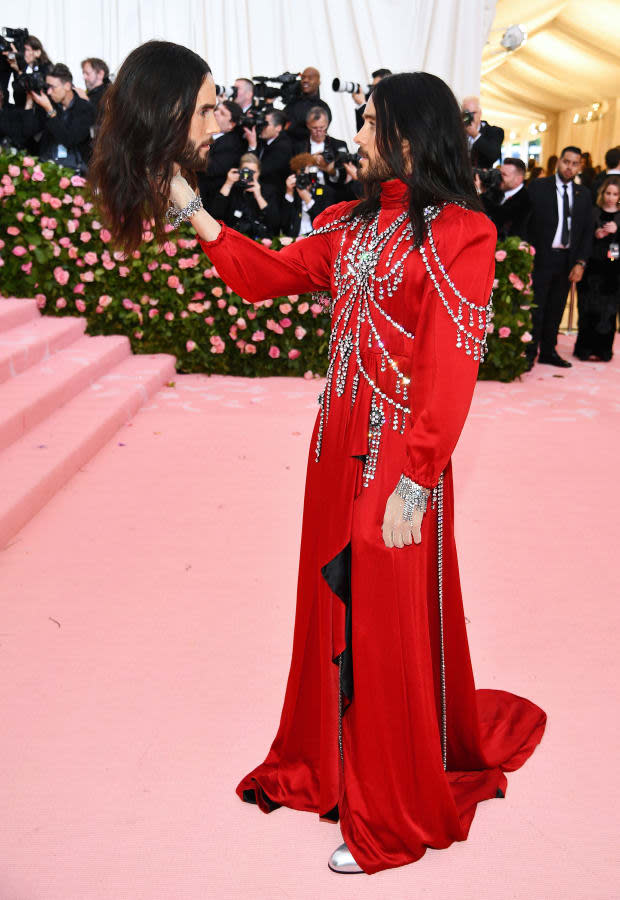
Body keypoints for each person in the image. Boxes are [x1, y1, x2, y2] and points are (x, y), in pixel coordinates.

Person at [92, 48, 547, 875]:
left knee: (384, 620)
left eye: (373, 121)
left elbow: (451, 369)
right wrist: (195, 211)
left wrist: (418, 474)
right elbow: (266, 277)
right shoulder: (348, 224)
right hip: (333, 449)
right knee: (333, 615)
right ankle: (332, 764)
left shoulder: (465, 233)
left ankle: (389, 807)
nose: (359, 131)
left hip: (399, 462)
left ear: (411, 136)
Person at [526, 146, 593, 368]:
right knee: (536, 307)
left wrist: (580, 262)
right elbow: (527, 221)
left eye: (574, 164)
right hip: (541, 257)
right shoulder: (538, 187)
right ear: (559, 161)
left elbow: (585, 232)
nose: (569, 167)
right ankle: (528, 352)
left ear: (579, 167)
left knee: (556, 308)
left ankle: (548, 351)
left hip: (567, 260)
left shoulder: (583, 195)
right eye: (566, 161)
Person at [573, 176, 620, 362]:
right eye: (608, 193)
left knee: (608, 312)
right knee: (586, 308)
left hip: (613, 272)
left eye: (615, 194)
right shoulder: (593, 213)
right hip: (591, 269)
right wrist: (596, 234)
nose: (610, 197)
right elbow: (583, 240)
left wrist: (617, 231)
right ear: (602, 193)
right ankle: (584, 348)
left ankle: (603, 350)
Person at [23, 63, 95, 170]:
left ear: (67, 86)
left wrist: (50, 111)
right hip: (46, 165)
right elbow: (28, 132)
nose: (49, 92)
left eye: (53, 87)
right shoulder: (48, 103)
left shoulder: (85, 108)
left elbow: (69, 140)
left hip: (75, 168)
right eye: (47, 87)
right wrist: (29, 103)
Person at [210, 153, 280, 239]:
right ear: (239, 171)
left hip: (260, 239)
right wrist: (228, 184)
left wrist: (258, 196)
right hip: (233, 237)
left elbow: (275, 223)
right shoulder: (232, 189)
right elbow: (215, 215)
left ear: (259, 173)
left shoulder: (268, 190)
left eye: (253, 172)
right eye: (246, 171)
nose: (248, 175)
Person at [196, 99, 244, 207]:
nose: (215, 113)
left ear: (231, 125)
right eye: (216, 109)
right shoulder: (204, 132)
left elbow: (211, 168)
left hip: (207, 198)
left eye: (222, 113)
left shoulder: (232, 144)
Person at [293, 106, 348, 196]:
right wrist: (311, 160)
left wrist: (331, 170)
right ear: (308, 125)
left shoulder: (338, 145)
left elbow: (345, 176)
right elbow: (292, 168)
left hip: (333, 194)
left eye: (322, 127)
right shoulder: (299, 147)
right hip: (307, 194)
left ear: (327, 124)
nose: (318, 131)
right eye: (314, 128)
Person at [280, 152, 336, 237]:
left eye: (307, 175)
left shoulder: (326, 191)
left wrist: (308, 200)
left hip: (316, 238)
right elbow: (283, 223)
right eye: (301, 176)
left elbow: (326, 223)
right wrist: (289, 194)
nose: (304, 179)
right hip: (294, 240)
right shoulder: (293, 192)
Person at [243, 108, 292, 194]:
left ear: (278, 128)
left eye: (265, 124)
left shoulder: (283, 148)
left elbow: (260, 171)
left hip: (271, 196)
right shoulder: (263, 139)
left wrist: (252, 146)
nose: (262, 127)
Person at [482, 158, 531, 240]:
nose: (499, 178)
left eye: (504, 175)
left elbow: (500, 219)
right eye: (499, 173)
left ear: (518, 179)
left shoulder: (526, 200)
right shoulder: (496, 191)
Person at [283, 66, 331, 143]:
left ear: (318, 82)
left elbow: (318, 132)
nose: (305, 80)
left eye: (310, 78)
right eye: (303, 78)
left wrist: (291, 128)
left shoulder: (323, 107)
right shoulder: (292, 103)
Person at [3, 34, 52, 108]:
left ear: (37, 52)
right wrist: (11, 55)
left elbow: (35, 84)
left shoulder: (46, 68)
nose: (24, 54)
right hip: (24, 110)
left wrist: (20, 70)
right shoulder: (23, 67)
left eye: (27, 50)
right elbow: (17, 90)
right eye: (22, 50)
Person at [461, 96, 504, 169]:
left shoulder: (494, 131)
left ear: (480, 113)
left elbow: (493, 155)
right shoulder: (458, 132)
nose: (470, 117)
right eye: (467, 113)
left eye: (473, 113)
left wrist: (475, 135)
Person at [351, 67, 392, 131]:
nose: (374, 90)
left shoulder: (394, 106)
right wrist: (361, 105)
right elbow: (361, 132)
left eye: (377, 86)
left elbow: (379, 127)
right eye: (373, 87)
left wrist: (362, 104)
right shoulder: (374, 106)